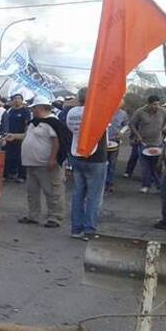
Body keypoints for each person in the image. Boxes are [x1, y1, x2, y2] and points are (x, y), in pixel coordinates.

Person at [4, 96, 70, 228]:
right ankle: (33, 215)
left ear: (41, 108)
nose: (32, 110)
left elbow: (57, 141)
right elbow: (28, 136)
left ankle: (55, 217)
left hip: (45, 163)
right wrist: (15, 136)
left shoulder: (52, 123)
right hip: (31, 163)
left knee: (52, 191)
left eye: (34, 108)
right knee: (32, 191)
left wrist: (53, 158)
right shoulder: (34, 123)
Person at [65, 88, 108, 240]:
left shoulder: (71, 112)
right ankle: (89, 229)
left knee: (78, 194)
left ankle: (76, 229)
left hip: (77, 154)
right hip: (96, 157)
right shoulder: (97, 112)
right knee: (93, 196)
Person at [129, 95, 166, 193]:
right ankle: (146, 185)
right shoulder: (140, 111)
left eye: (158, 104)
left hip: (158, 143)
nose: (156, 106)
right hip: (143, 143)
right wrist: (137, 135)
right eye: (154, 104)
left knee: (157, 166)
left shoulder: (163, 111)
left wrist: (165, 130)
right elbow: (131, 123)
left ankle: (159, 186)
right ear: (149, 104)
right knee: (145, 165)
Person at [3, 94, 32, 182]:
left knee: (20, 157)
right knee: (8, 156)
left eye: (18, 98)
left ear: (22, 100)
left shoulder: (25, 111)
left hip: (20, 137)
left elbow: (27, 124)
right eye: (15, 99)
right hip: (9, 136)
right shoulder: (10, 110)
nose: (16, 100)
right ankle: (9, 174)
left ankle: (21, 176)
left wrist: (25, 135)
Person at [105, 102, 128, 193]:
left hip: (115, 140)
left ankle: (110, 183)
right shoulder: (104, 111)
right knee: (103, 163)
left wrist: (122, 132)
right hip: (102, 141)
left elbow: (126, 124)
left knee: (112, 163)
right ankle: (102, 182)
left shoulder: (123, 114)